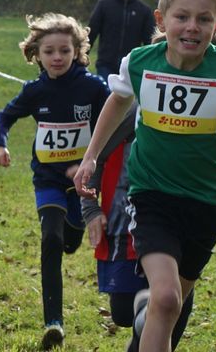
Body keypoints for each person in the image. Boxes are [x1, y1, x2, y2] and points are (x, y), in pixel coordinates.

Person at [74, 0, 216, 352]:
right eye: (181, 17)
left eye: (203, 19)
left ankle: (144, 315)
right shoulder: (141, 62)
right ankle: (148, 307)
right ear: (161, 20)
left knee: (169, 306)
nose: (191, 27)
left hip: (205, 205)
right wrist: (91, 157)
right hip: (152, 196)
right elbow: (117, 103)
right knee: (166, 299)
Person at [0, 13, 110, 351]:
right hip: (48, 180)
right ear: (36, 55)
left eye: (64, 51)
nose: (57, 58)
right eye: (49, 52)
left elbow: (117, 119)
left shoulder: (93, 87)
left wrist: (94, 162)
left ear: (77, 53)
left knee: (70, 240)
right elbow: (5, 115)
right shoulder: (35, 91)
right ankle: (53, 322)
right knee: (51, 240)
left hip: (84, 180)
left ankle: (74, 229)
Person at [80, 104, 194, 351]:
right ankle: (144, 315)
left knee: (172, 301)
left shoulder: (198, 107)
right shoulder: (132, 112)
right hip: (125, 221)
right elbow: (94, 158)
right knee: (123, 313)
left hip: (178, 218)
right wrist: (90, 208)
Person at [88, 0, 155, 81]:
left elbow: (150, 40)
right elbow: (91, 32)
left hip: (130, 66)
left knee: (127, 98)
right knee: (106, 96)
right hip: (106, 64)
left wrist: (152, 64)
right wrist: (81, 56)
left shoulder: (144, 11)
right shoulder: (104, 5)